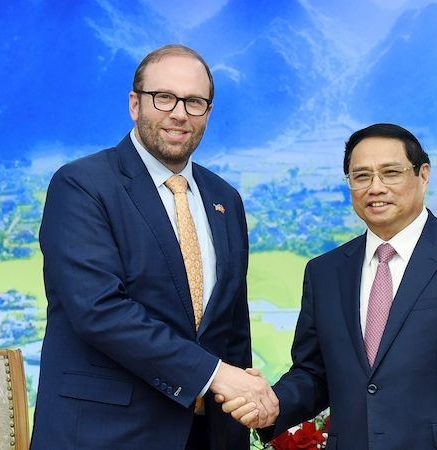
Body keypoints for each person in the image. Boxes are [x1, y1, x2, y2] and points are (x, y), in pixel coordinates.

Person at [222, 123, 437, 449]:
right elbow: (315, 374)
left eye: (391, 172)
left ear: (423, 175)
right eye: (361, 176)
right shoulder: (325, 272)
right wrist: (272, 404)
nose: (376, 187)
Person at [32, 44, 277, 450]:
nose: (180, 112)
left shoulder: (224, 199)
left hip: (204, 436)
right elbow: (99, 310)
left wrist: (240, 414)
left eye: (195, 102)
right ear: (135, 104)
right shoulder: (82, 185)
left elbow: (232, 329)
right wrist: (216, 375)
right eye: (164, 97)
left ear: (208, 113)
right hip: (104, 433)